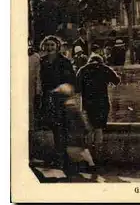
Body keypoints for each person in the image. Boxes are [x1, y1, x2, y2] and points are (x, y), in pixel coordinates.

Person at [39, 35, 77, 169]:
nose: (49, 48)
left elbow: (71, 81)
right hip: (47, 98)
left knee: (61, 128)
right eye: (47, 45)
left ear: (57, 47)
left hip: (60, 98)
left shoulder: (64, 61)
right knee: (53, 127)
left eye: (52, 45)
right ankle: (59, 156)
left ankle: (61, 158)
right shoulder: (41, 61)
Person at [76, 54, 121, 160]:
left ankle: (89, 158)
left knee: (90, 129)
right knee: (99, 129)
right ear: (101, 61)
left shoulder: (82, 70)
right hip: (102, 104)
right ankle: (98, 156)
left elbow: (77, 89)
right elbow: (117, 81)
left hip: (87, 105)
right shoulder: (104, 68)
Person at [63, 98, 96, 174]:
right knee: (83, 150)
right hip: (78, 136)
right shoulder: (76, 112)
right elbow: (83, 124)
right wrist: (85, 131)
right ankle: (91, 165)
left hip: (70, 136)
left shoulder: (65, 112)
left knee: (74, 151)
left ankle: (78, 167)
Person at [29, 41, 42, 161]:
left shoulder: (35, 57)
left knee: (30, 124)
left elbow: (38, 78)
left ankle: (31, 154)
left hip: (30, 94)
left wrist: (38, 93)